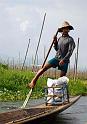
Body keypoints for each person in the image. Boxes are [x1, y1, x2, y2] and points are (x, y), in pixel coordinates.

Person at [28, 21, 75, 88]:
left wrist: (64, 60)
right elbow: (57, 49)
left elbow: (70, 52)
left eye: (67, 28)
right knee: (44, 67)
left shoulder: (70, 40)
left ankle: (59, 93)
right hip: (57, 58)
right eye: (64, 28)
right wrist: (55, 42)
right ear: (62, 29)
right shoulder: (60, 38)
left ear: (68, 30)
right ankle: (33, 81)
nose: (66, 29)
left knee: (61, 79)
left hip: (65, 61)